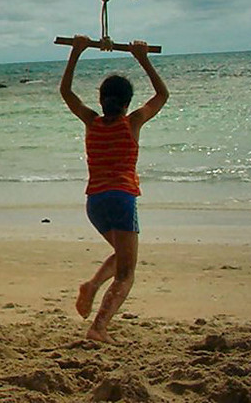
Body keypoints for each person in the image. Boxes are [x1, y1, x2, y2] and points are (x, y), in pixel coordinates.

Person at [59, 35, 169, 343]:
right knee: (126, 272)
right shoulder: (132, 122)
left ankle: (92, 286)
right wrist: (142, 57)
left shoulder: (91, 122)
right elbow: (162, 94)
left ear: (101, 99)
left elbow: (66, 92)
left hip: (94, 201)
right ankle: (99, 327)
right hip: (121, 198)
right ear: (126, 103)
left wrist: (76, 53)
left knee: (122, 255)